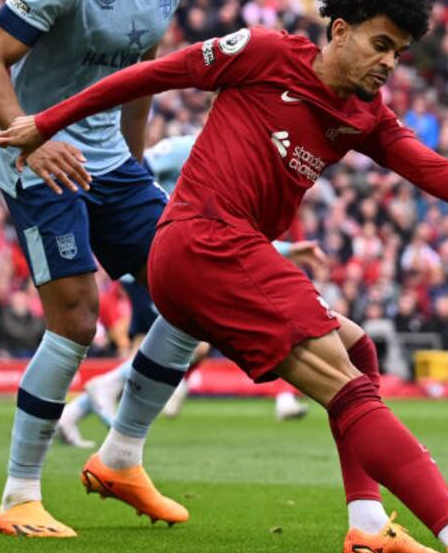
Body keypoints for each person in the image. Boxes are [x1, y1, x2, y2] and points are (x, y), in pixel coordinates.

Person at [0, 0, 448, 553]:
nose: (389, 63)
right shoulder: (262, 52)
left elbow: (427, 166)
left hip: (222, 255)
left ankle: (366, 523)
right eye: (380, 45)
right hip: (207, 243)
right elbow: (151, 74)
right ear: (340, 31)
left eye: (400, 53)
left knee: (357, 350)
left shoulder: (365, 115)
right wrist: (45, 122)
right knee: (346, 387)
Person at [0, 0, 202, 539]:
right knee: (75, 319)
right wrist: (30, 136)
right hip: (37, 158)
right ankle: (19, 496)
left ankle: (121, 457)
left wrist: (131, 163)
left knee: (190, 294)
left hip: (109, 162)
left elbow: (143, 69)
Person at [54, 132, 318, 447]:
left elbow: (234, 232)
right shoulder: (188, 147)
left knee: (173, 347)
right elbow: (137, 168)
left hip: (176, 258)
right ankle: (108, 394)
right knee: (193, 339)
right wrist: (155, 217)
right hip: (157, 256)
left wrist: (288, 250)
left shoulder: (233, 159)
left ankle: (78, 412)